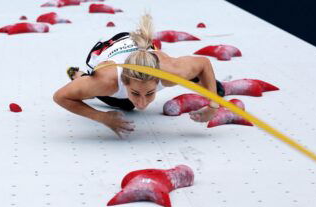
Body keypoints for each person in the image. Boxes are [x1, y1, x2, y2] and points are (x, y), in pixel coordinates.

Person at [53, 14, 224, 138]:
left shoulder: (171, 72)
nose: (143, 104)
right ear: (125, 82)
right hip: (106, 50)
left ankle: (195, 80)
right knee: (127, 106)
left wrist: (213, 106)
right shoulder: (107, 80)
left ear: (159, 81)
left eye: (150, 93)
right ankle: (80, 75)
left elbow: (204, 63)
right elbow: (60, 97)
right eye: (136, 93)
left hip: (141, 46)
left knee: (218, 91)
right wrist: (102, 117)